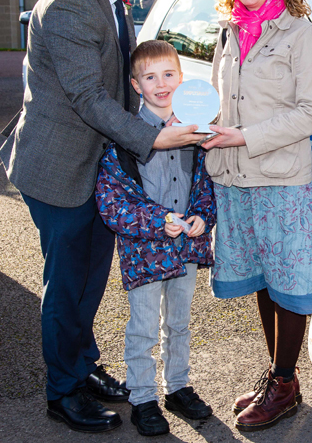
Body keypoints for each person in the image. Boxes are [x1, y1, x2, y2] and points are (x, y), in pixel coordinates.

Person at [0, 0, 202, 434]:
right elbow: (89, 96)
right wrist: (155, 138)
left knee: (89, 282)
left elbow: (123, 87)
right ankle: (62, 391)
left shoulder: (115, 1)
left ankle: (81, 366)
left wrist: (174, 116)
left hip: (97, 170)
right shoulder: (70, 4)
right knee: (67, 286)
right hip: (58, 170)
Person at [202, 0, 312, 432]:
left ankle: (283, 383)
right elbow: (220, 101)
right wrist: (202, 128)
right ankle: (280, 375)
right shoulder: (229, 33)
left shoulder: (302, 35)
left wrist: (245, 136)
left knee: (289, 283)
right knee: (262, 277)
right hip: (234, 176)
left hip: (278, 178)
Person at [95, 40, 216, 437]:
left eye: (168, 74)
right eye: (150, 77)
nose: (161, 84)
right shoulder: (125, 139)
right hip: (145, 253)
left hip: (184, 250)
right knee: (144, 327)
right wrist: (156, 221)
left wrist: (202, 217)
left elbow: (206, 185)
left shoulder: (196, 131)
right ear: (136, 85)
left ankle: (177, 387)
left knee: (179, 323)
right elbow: (113, 203)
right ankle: (143, 397)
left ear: (181, 78)